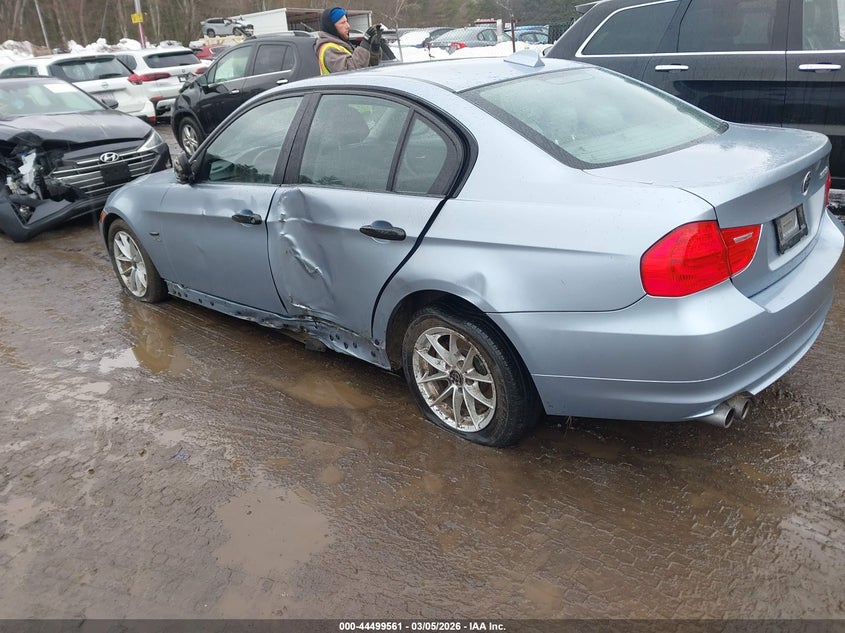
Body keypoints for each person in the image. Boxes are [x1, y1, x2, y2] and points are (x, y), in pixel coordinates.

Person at [315, 7, 382, 76]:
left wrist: (374, 48)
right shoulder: (329, 49)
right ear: (331, 27)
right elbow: (351, 71)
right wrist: (365, 44)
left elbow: (365, 67)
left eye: (347, 21)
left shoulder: (342, 45)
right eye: (342, 23)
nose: (348, 26)